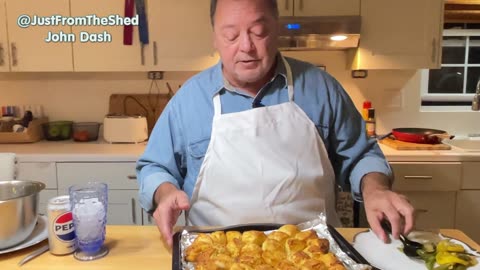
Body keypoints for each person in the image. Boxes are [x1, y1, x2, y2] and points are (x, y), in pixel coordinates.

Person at [136, 0, 415, 247]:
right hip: (215, 254)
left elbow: (361, 155)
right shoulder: (189, 101)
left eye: (258, 32)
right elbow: (154, 167)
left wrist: (376, 189)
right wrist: (165, 193)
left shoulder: (321, 89)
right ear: (215, 38)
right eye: (231, 35)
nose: (246, 46)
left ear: (277, 29)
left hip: (312, 253)